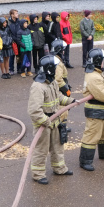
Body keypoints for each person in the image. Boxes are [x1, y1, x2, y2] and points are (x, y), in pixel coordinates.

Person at [27, 55, 75, 184]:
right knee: (41, 149)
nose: (56, 69)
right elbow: (34, 111)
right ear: (49, 69)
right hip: (43, 123)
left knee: (57, 146)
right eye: (54, 67)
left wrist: (71, 101)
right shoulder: (38, 86)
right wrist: (46, 121)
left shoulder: (51, 81)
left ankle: (59, 168)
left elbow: (58, 96)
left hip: (55, 120)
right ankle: (38, 174)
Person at [6, 9, 20, 75]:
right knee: (12, 56)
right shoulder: (8, 23)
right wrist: (12, 39)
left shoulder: (18, 22)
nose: (17, 14)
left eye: (17, 13)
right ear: (12, 15)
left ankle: (19, 69)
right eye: (16, 13)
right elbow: (8, 33)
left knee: (19, 55)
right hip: (12, 42)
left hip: (19, 41)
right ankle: (11, 69)